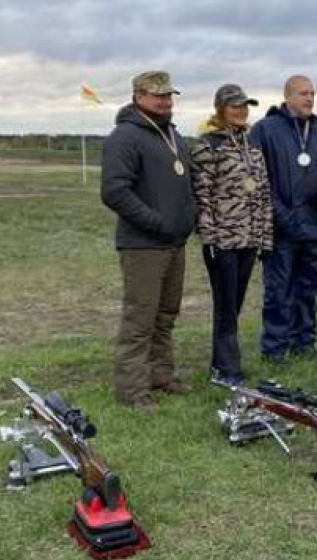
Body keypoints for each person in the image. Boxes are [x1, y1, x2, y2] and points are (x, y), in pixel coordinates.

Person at [100, 70, 199, 411]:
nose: (166, 102)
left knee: (165, 315)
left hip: (175, 243)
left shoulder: (171, 134)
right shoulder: (124, 137)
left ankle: (161, 376)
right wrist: (156, 223)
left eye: (169, 96)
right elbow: (114, 192)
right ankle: (132, 389)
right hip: (143, 245)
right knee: (140, 318)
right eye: (158, 96)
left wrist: (189, 218)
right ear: (138, 96)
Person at [250, 75, 317, 364]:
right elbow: (256, 179)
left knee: (308, 289)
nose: (309, 98)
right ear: (287, 96)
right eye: (303, 93)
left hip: (316, 225)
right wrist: (281, 214)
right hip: (280, 226)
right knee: (279, 290)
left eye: (313, 94)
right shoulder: (265, 130)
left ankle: (304, 343)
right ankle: (275, 348)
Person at [189, 83, 273, 388]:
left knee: (234, 304)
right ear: (220, 109)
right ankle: (228, 369)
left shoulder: (252, 148)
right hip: (223, 241)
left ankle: (219, 363)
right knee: (225, 304)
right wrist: (209, 238)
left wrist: (265, 238)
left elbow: (263, 194)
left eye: (244, 106)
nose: (241, 111)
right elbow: (203, 195)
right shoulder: (207, 146)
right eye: (234, 106)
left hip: (249, 239)